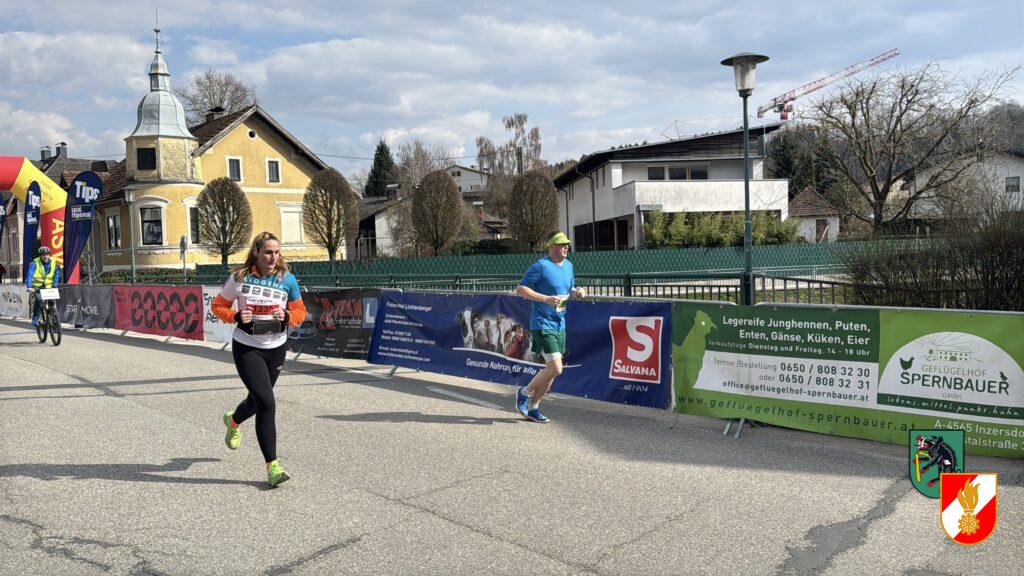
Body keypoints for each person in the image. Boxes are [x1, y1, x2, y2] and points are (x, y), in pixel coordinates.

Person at [210, 232, 307, 487]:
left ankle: (233, 420)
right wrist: (235, 316)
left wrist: (288, 316)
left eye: (276, 252)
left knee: (257, 402)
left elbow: (300, 311)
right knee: (267, 402)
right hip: (247, 348)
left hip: (276, 347)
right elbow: (217, 306)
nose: (273, 257)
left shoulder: (287, 279)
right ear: (256, 252)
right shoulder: (240, 278)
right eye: (268, 252)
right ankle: (273, 467)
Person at [514, 231, 586, 422]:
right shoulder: (541, 266)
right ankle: (523, 392)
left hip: (559, 324)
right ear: (551, 246)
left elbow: (569, 290)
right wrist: (545, 299)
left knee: (552, 370)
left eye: (567, 244)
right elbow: (520, 289)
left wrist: (578, 292)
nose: (566, 247)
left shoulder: (568, 265)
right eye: (562, 244)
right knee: (556, 368)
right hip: (542, 324)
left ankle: (534, 408)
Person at [25, 246, 61, 326]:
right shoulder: (35, 263)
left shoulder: (54, 262)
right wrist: (29, 286)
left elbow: (56, 274)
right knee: (39, 300)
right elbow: (30, 274)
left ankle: (55, 321)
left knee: (52, 302)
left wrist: (54, 286)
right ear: (40, 255)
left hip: (48, 286)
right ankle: (35, 318)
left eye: (47, 255)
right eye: (43, 255)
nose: (45, 257)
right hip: (37, 285)